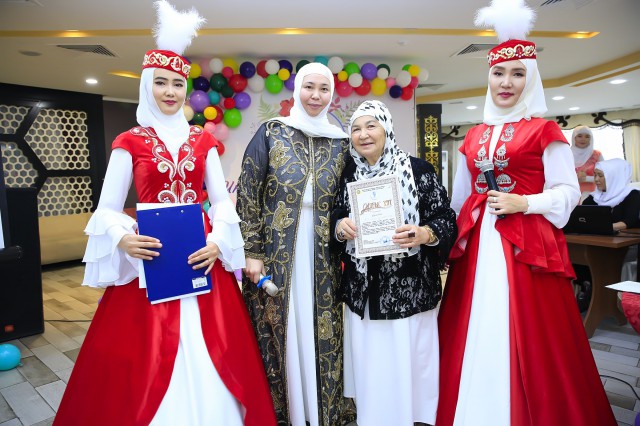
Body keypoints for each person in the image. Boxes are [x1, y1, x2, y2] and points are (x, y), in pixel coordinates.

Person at [54, 2, 276, 425]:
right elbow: (106, 208)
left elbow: (221, 202)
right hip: (151, 257)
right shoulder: (130, 141)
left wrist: (218, 242)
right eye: (161, 82)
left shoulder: (202, 141)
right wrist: (122, 237)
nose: (170, 92)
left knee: (219, 345)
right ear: (146, 86)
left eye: (177, 83)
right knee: (141, 354)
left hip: (199, 254)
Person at [436, 1, 616, 425]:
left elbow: (568, 193)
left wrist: (525, 202)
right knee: (472, 322)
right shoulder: (474, 135)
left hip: (527, 245)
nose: (506, 82)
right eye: (499, 73)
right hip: (478, 245)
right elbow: (460, 198)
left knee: (531, 331)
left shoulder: (544, 130)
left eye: (518, 74)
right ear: (488, 77)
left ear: (531, 78)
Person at [236, 62, 355, 426]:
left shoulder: (341, 142)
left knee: (322, 326)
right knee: (280, 326)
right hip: (276, 251)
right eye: (309, 87)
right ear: (296, 90)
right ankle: (284, 412)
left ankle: (322, 412)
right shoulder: (273, 132)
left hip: (323, 253)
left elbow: (350, 198)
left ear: (331, 95)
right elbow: (248, 192)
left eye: (323, 89)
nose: (316, 96)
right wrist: (252, 251)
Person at [330, 100, 456, 426]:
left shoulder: (418, 170)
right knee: (373, 363)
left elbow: (445, 219)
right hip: (364, 288)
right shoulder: (349, 174)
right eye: (356, 129)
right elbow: (334, 217)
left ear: (386, 129)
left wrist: (424, 233)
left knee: (407, 360)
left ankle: (414, 418)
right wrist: (341, 227)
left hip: (408, 285)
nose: (363, 134)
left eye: (371, 126)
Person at [584, 158, 639, 281]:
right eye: (595, 175)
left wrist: (606, 227)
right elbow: (583, 218)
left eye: (600, 176)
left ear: (614, 176)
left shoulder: (631, 195)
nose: (596, 179)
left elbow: (630, 220)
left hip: (626, 246)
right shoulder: (593, 198)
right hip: (597, 242)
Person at [571, 125, 604, 202]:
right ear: (574, 138)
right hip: (570, 194)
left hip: (592, 196)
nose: (583, 139)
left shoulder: (597, 155)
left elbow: (605, 176)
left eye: (587, 136)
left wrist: (586, 179)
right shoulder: (566, 154)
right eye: (579, 136)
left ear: (590, 139)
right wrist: (575, 177)